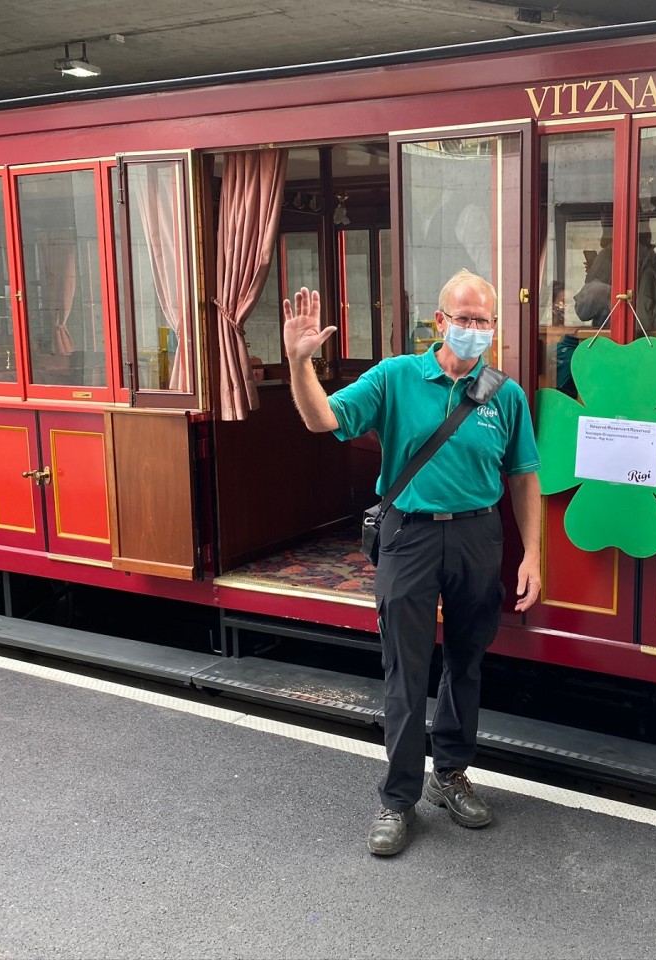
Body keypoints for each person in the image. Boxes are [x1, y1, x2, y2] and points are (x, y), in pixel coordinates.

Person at [282, 269, 542, 857]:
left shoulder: (506, 393)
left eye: (485, 320)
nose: (475, 330)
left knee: (467, 662)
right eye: (465, 318)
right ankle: (397, 800)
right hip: (410, 536)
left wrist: (533, 555)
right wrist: (301, 365)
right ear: (440, 320)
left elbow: (524, 475)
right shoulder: (396, 376)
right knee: (406, 669)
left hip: (479, 535)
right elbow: (323, 419)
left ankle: (449, 774)